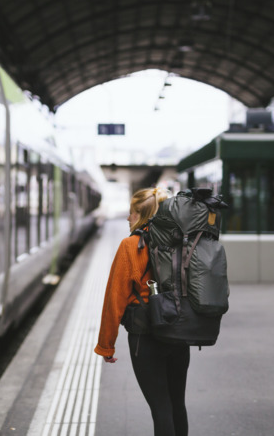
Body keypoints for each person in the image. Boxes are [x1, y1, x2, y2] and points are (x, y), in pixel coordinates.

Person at [94, 187, 191, 436]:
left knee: (160, 408)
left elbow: (114, 299)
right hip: (179, 333)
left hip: (146, 337)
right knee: (177, 405)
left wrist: (106, 345)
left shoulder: (130, 246)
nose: (128, 218)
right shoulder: (183, 243)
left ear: (144, 215)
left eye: (132, 213)